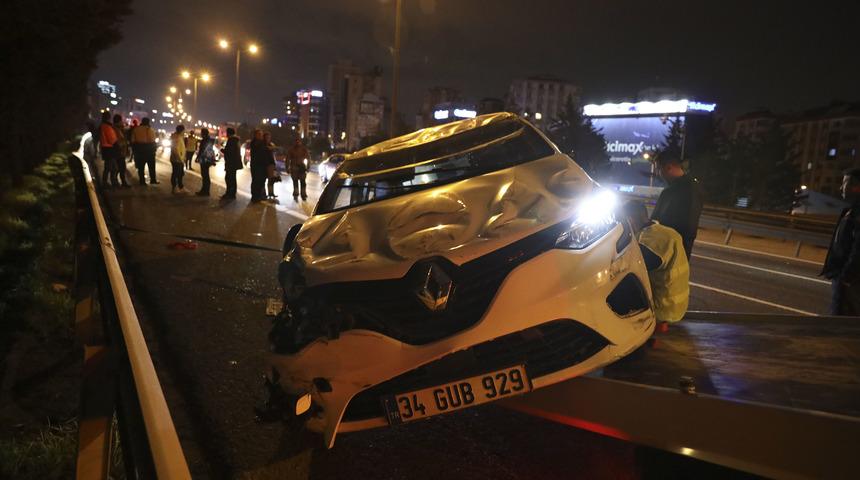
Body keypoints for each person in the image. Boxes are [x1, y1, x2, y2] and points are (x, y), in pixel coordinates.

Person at [623, 200, 690, 327]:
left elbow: (631, 267)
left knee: (619, 288)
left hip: (662, 310)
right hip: (677, 306)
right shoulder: (665, 232)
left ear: (630, 221)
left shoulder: (649, 240)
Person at [650, 154, 703, 259]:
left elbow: (656, 222)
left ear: (668, 167)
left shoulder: (671, 192)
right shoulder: (695, 188)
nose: (659, 174)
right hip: (683, 250)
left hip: (666, 251)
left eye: (659, 169)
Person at [822, 168, 860, 315]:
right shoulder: (850, 211)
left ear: (857, 186)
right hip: (843, 276)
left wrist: (846, 277)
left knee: (841, 323)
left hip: (850, 280)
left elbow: (858, 249)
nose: (841, 187)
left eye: (845, 183)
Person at [131, 117, 158, 185]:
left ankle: (142, 181)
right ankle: (153, 179)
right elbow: (152, 139)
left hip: (139, 149)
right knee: (151, 166)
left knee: (141, 167)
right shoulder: (150, 129)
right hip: (149, 149)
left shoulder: (136, 129)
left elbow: (133, 140)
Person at [98, 111, 118, 187]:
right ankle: (107, 182)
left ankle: (110, 182)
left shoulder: (102, 126)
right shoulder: (107, 126)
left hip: (106, 148)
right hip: (109, 149)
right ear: (108, 117)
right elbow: (112, 139)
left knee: (111, 167)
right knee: (111, 167)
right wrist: (116, 145)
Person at [221, 127, 242, 199]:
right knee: (232, 178)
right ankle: (232, 194)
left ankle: (229, 194)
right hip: (234, 163)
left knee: (229, 178)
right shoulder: (236, 140)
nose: (226, 134)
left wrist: (223, 150)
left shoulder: (232, 140)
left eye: (227, 132)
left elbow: (230, 152)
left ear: (229, 133)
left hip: (231, 163)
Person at [112, 114, 131, 187]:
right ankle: (117, 182)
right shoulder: (114, 129)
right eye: (121, 121)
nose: (122, 122)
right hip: (117, 151)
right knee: (118, 168)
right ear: (118, 121)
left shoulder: (120, 129)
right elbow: (118, 140)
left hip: (121, 151)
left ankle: (122, 182)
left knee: (122, 167)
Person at [249, 129, 268, 202]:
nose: (261, 136)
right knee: (256, 181)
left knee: (261, 181)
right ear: (255, 135)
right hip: (256, 165)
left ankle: (258, 196)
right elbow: (258, 152)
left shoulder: (262, 143)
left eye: (261, 134)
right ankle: (255, 196)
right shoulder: (255, 143)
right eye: (259, 134)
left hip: (262, 165)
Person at [196, 128, 216, 196]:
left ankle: (205, 191)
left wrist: (198, 157)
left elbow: (202, 150)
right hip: (207, 159)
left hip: (205, 159)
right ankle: (205, 190)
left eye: (202, 133)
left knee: (205, 175)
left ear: (203, 133)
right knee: (205, 175)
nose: (201, 134)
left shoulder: (205, 140)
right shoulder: (209, 140)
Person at [169, 125, 187, 193]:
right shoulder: (177, 137)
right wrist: (180, 158)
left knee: (180, 173)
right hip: (177, 160)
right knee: (176, 173)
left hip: (179, 159)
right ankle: (175, 187)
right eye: (183, 130)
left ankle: (180, 187)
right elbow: (175, 149)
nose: (184, 132)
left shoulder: (178, 137)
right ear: (181, 130)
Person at [264, 132, 280, 200]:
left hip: (271, 164)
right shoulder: (263, 144)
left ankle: (271, 193)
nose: (268, 139)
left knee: (271, 180)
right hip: (265, 164)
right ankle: (264, 194)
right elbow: (269, 149)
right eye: (267, 137)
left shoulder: (271, 144)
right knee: (264, 179)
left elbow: (274, 149)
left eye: (269, 137)